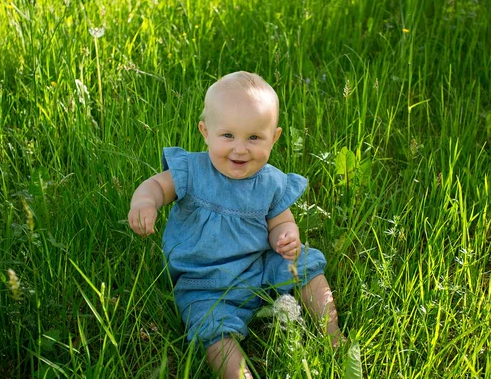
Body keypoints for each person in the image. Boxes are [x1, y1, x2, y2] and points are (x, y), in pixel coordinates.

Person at [128, 71, 341, 378]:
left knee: (304, 263)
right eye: (228, 136)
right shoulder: (192, 170)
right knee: (211, 328)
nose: (240, 149)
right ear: (205, 131)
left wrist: (286, 237)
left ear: (275, 137)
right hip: (204, 282)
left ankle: (332, 334)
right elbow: (157, 187)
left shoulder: (271, 182)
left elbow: (281, 221)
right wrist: (145, 203)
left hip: (259, 264)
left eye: (254, 137)